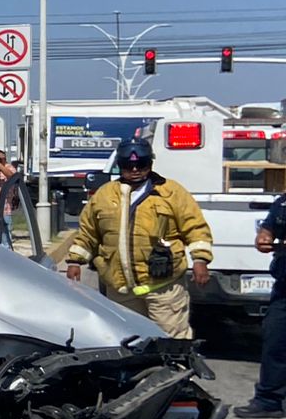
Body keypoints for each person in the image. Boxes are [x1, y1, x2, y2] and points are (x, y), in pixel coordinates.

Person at [66, 137, 212, 338]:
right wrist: (75, 262)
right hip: (120, 289)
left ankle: (175, 370)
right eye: (128, 165)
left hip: (163, 287)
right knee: (127, 340)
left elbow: (195, 227)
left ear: (150, 164)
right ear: (120, 165)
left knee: (171, 341)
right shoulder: (104, 195)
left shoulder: (170, 192)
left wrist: (200, 260)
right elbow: (88, 233)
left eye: (140, 164)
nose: (135, 170)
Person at [235, 192, 286, 419]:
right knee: (275, 340)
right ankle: (269, 401)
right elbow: (269, 227)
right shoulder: (284, 202)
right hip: (284, 286)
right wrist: (264, 237)